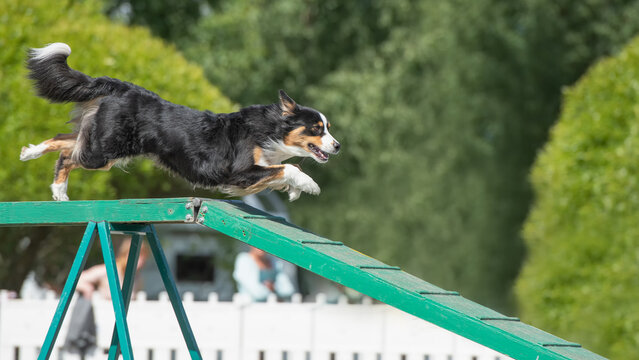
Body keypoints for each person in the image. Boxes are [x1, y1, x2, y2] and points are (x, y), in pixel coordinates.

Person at [75, 237, 149, 299]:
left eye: (143, 258)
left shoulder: (137, 276)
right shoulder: (108, 270)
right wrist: (87, 289)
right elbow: (77, 280)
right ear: (126, 254)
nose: (141, 261)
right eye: (138, 257)